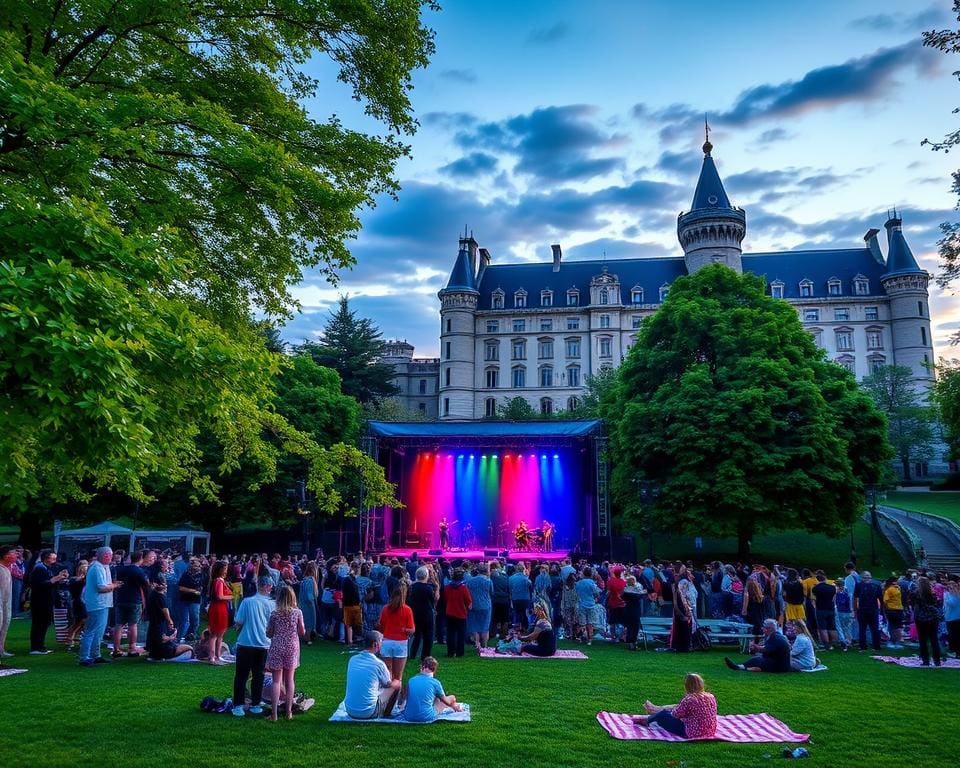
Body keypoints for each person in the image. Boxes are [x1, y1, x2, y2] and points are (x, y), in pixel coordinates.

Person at [232, 575, 276, 717]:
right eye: (270, 586)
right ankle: (255, 704)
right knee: (259, 675)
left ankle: (238, 705)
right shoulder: (272, 604)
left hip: (246, 643)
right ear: (265, 586)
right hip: (263, 644)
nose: (271, 588)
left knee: (241, 675)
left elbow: (238, 622)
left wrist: (238, 627)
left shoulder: (247, 602)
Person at [632, 673, 717, 739]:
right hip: (710, 732)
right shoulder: (711, 696)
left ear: (687, 685)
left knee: (663, 714)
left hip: (692, 733)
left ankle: (648, 720)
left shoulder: (689, 699)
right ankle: (653, 714)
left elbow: (675, 715)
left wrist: (666, 711)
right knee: (665, 711)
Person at [265, 585, 305, 720]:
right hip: (292, 647)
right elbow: (302, 632)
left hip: (277, 646)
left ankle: (274, 714)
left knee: (276, 681)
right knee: (289, 680)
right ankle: (289, 712)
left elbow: (269, 633)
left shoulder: (274, 614)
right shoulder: (297, 613)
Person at [79, 547, 123, 666]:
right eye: (110, 555)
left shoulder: (103, 567)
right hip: (97, 604)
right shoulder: (97, 567)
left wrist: (112, 585)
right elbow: (101, 588)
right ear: (105, 556)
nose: (112, 557)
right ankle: (84, 657)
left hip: (102, 604)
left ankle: (95, 654)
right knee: (91, 630)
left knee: (99, 631)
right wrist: (114, 586)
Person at [344, 630, 401, 720]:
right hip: (367, 712)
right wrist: (396, 680)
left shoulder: (352, 659)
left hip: (350, 710)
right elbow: (388, 684)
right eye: (381, 641)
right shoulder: (378, 664)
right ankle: (387, 714)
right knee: (397, 684)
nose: (382, 644)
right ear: (375, 644)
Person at [145, 575, 194, 661]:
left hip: (156, 627)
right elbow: (165, 611)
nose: (165, 586)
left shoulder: (153, 595)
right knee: (188, 648)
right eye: (163, 584)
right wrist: (170, 624)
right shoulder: (160, 597)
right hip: (164, 648)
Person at [29, 549, 69, 654]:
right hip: (40, 601)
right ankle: (36, 647)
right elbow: (41, 584)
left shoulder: (47, 568)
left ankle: (40, 645)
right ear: (46, 559)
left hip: (47, 599)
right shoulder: (39, 569)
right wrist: (57, 578)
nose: (55, 560)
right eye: (53, 558)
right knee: (39, 623)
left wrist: (59, 579)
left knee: (45, 622)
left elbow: (50, 583)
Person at [402, 656, 462, 722]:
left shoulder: (411, 680)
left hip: (408, 716)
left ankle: (454, 706)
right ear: (434, 670)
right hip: (426, 716)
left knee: (435, 697)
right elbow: (446, 701)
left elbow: (406, 698)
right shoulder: (435, 683)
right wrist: (452, 699)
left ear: (422, 667)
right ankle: (455, 706)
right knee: (447, 699)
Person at [725, 618, 791, 673]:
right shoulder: (776, 635)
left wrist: (756, 647)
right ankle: (741, 667)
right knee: (758, 659)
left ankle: (740, 667)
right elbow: (768, 648)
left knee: (758, 660)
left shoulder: (774, 637)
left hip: (780, 666)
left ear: (770, 629)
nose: (762, 629)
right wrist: (758, 647)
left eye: (764, 627)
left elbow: (766, 650)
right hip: (782, 665)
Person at [379, 583, 415, 680]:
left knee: (387, 675)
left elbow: (381, 626)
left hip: (386, 641)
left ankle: (387, 694)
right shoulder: (407, 610)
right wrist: (404, 630)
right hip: (401, 642)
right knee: (398, 677)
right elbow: (412, 630)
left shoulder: (385, 609)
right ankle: (397, 694)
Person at [912, 576, 943, 667]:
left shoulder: (917, 594)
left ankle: (926, 661)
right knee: (934, 639)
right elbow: (937, 604)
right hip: (933, 619)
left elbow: (914, 605)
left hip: (921, 619)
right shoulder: (933, 594)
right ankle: (937, 661)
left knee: (923, 640)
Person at [409, 566, 438, 661]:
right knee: (428, 636)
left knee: (417, 635)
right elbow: (434, 600)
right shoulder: (428, 588)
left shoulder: (412, 587)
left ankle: (413, 653)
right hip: (427, 614)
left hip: (415, 614)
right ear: (426, 575)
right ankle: (425, 655)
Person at [207, 560, 232, 665]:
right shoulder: (219, 581)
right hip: (219, 608)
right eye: (225, 568)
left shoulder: (218, 580)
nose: (226, 570)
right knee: (215, 634)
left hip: (220, 607)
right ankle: (213, 656)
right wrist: (231, 596)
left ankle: (217, 655)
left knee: (220, 633)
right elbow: (220, 596)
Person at [443, 568, 472, 657]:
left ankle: (451, 652)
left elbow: (445, 599)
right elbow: (468, 601)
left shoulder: (447, 588)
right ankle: (460, 652)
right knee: (461, 634)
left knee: (450, 634)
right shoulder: (463, 588)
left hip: (450, 613)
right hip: (461, 614)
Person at [465, 562, 493, 652]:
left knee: (474, 626)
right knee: (485, 626)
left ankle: (477, 644)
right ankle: (484, 646)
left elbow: (467, 592)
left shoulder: (470, 581)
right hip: (486, 606)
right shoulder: (488, 581)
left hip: (473, 605)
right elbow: (492, 592)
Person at [853, 570, 883, 651]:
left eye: (867, 576)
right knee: (872, 628)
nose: (866, 578)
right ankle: (875, 646)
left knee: (864, 628)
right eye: (865, 576)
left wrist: (855, 609)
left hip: (866, 609)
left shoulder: (860, 585)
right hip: (870, 609)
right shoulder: (876, 585)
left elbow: (855, 598)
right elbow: (881, 598)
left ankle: (865, 646)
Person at [177, 557, 204, 643]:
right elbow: (181, 588)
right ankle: (179, 638)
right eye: (196, 566)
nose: (198, 568)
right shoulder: (186, 575)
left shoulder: (202, 575)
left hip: (195, 600)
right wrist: (192, 590)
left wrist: (193, 590)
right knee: (184, 620)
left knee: (195, 620)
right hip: (184, 600)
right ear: (191, 566)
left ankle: (190, 636)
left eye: (199, 566)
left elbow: (201, 589)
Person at [64, 560, 89, 650]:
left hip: (82, 602)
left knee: (80, 621)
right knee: (79, 621)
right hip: (79, 602)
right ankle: (70, 637)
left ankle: (73, 637)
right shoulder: (75, 580)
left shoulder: (79, 580)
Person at [811, 571, 838, 650]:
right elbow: (834, 598)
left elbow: (813, 599)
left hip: (820, 609)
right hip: (831, 608)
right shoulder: (832, 588)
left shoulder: (815, 588)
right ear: (825, 579)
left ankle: (826, 644)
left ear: (817, 580)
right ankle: (834, 642)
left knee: (822, 627)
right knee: (832, 626)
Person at [575, 567, 600, 645]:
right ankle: (590, 639)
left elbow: (576, 592)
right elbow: (596, 594)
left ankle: (580, 637)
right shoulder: (592, 583)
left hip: (581, 604)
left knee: (582, 623)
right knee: (590, 624)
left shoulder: (578, 583)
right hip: (591, 604)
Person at [0, 545, 17, 659]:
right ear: (6, 556)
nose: (16, 555)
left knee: (5, 624)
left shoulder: (7, 568)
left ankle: (1, 649)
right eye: (14, 553)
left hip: (6, 602)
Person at [882, 576, 904, 649]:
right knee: (893, 626)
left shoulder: (897, 588)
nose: (898, 582)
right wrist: (888, 609)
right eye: (897, 581)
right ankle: (892, 641)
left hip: (898, 609)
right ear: (893, 581)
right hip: (893, 609)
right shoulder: (889, 590)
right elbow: (885, 601)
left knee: (896, 626)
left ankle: (895, 642)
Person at [299, 561, 318, 644]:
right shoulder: (310, 580)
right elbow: (309, 595)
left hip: (302, 603)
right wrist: (312, 603)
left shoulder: (304, 579)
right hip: (308, 604)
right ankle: (307, 639)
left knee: (304, 621)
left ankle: (303, 637)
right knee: (310, 621)